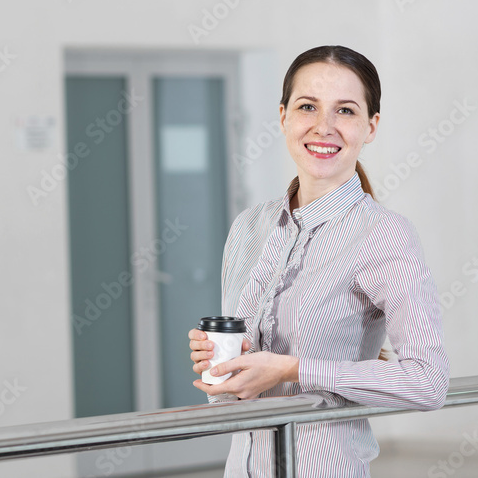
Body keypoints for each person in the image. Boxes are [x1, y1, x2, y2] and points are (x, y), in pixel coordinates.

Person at [188, 45, 449, 477]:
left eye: (345, 111)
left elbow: (427, 382)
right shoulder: (249, 227)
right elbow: (228, 399)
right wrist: (223, 364)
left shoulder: (385, 235)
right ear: (283, 116)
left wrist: (291, 368)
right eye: (307, 106)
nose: (323, 127)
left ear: (371, 126)